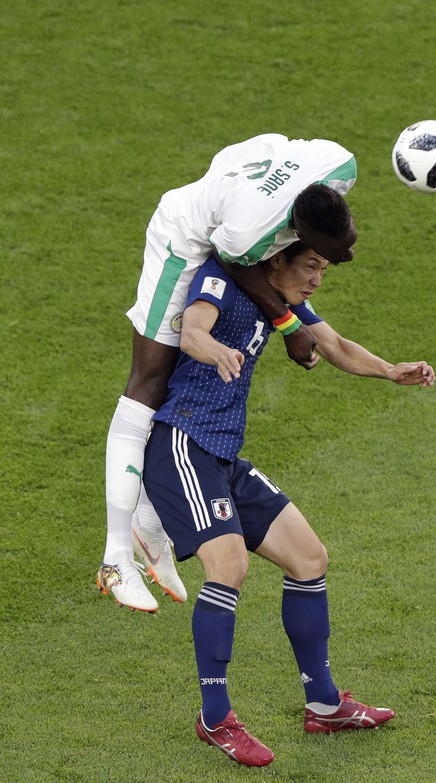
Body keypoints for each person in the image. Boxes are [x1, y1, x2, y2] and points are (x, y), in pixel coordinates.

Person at [142, 241, 435, 766]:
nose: (318, 278)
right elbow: (192, 331)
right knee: (228, 566)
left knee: (309, 558)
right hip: (182, 443)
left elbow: (337, 345)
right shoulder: (222, 279)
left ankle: (323, 705)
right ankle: (215, 718)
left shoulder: (280, 300)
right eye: (311, 266)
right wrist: (216, 351)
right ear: (276, 258)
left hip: (223, 455)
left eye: (323, 269)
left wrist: (392, 371)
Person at [97, 133, 358, 612]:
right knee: (149, 383)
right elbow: (233, 263)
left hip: (234, 208)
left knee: (177, 379)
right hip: (186, 240)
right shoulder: (244, 235)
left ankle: (150, 526)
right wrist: (287, 325)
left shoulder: (338, 163)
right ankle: (116, 559)